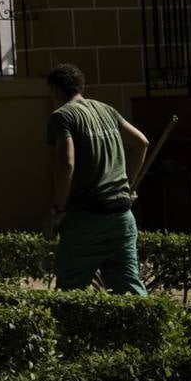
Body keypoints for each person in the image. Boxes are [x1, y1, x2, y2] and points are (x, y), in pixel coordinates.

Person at [46, 64, 150, 295]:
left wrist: (59, 209)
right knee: (129, 289)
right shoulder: (106, 110)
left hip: (87, 217)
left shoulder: (62, 117)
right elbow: (141, 143)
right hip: (122, 216)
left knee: (70, 290)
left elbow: (66, 164)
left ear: (55, 89)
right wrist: (129, 186)